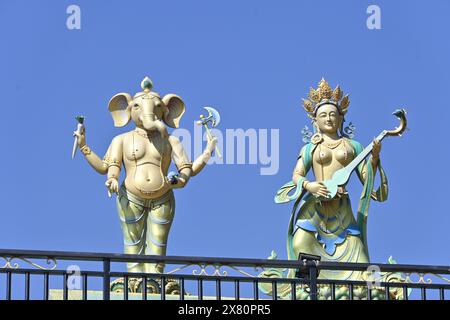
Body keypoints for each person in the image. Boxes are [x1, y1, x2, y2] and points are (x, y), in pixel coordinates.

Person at [275, 79, 388, 280]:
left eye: (333, 114)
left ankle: (361, 288)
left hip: (341, 209)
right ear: (315, 121)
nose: (328, 119)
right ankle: (309, 282)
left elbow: (366, 177)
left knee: (359, 257)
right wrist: (309, 185)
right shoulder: (310, 148)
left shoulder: (353, 146)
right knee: (300, 243)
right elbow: (297, 175)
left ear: (341, 119)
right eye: (323, 115)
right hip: (315, 207)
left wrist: (374, 157)